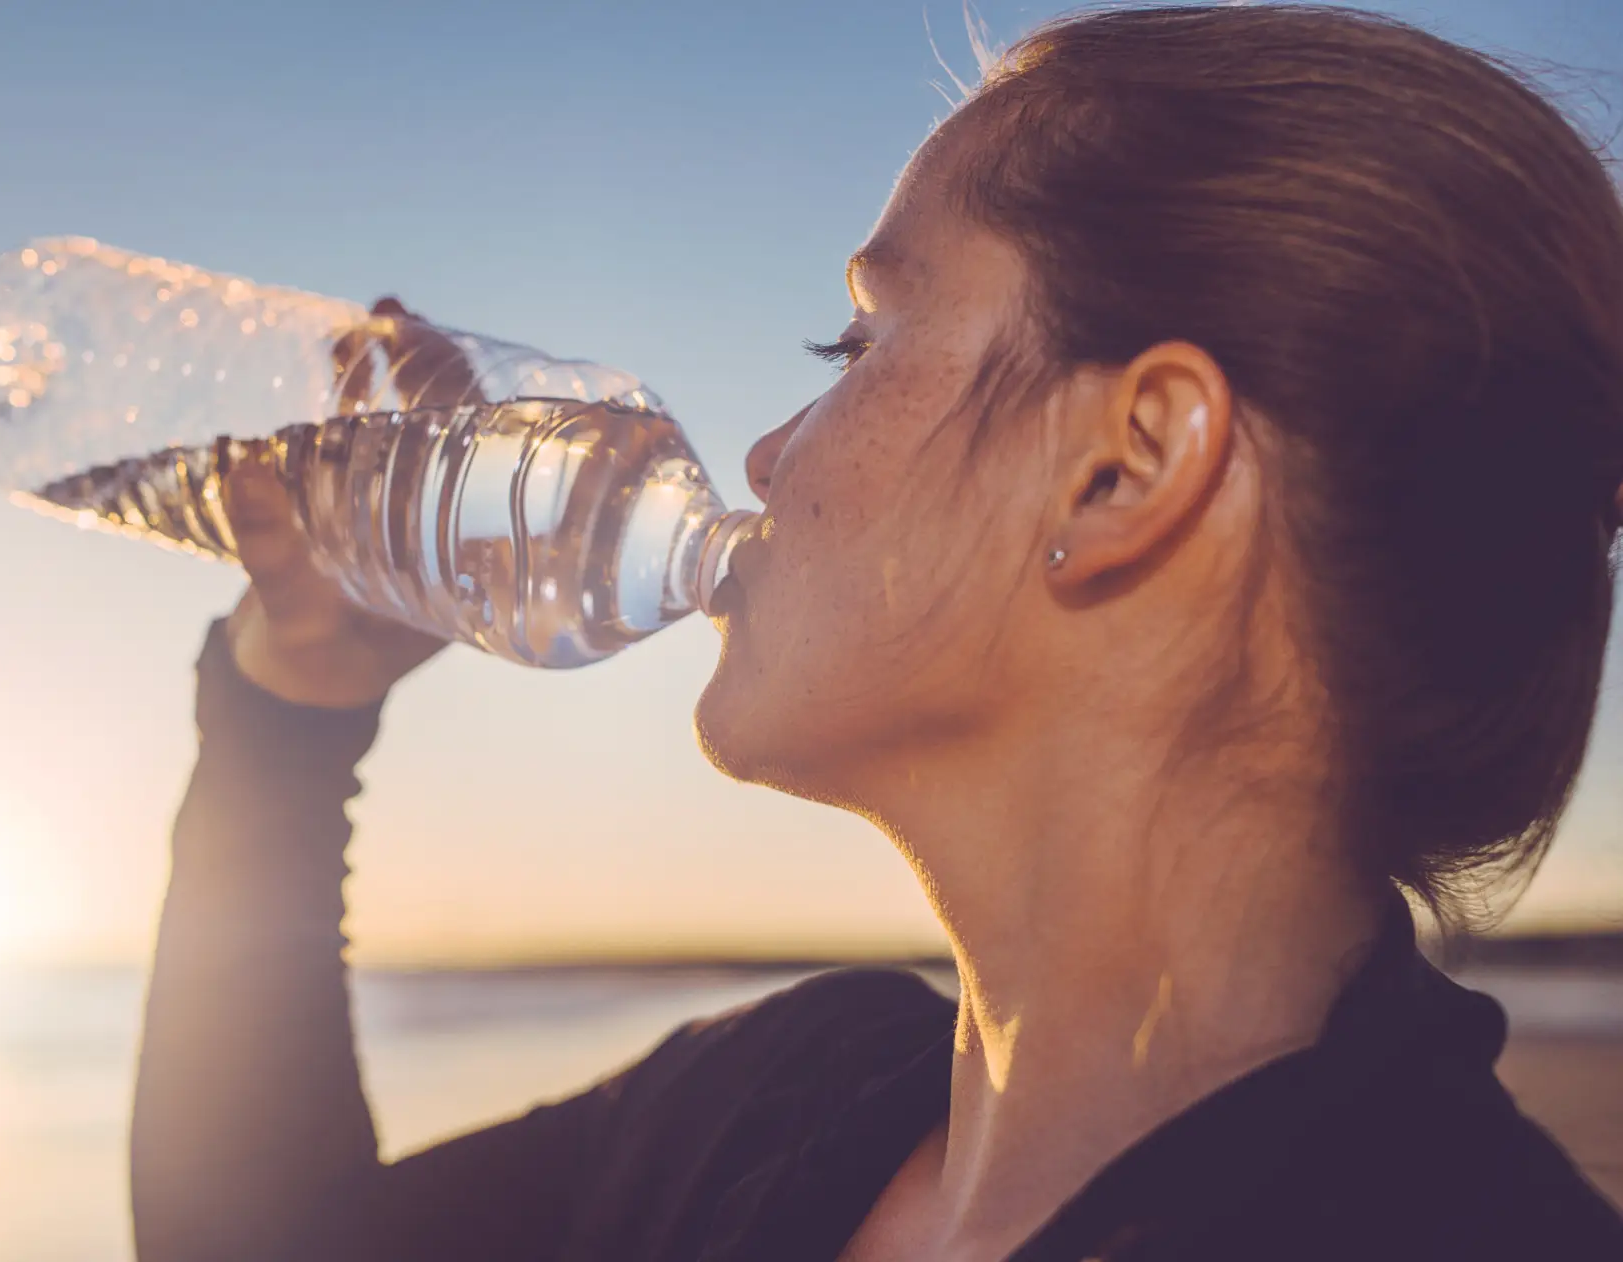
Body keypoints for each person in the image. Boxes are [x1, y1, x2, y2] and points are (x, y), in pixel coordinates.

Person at [128, 6, 1623, 1259]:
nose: (768, 451)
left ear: (1126, 468)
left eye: (856, 341)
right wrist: (291, 709)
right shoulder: (785, 1097)